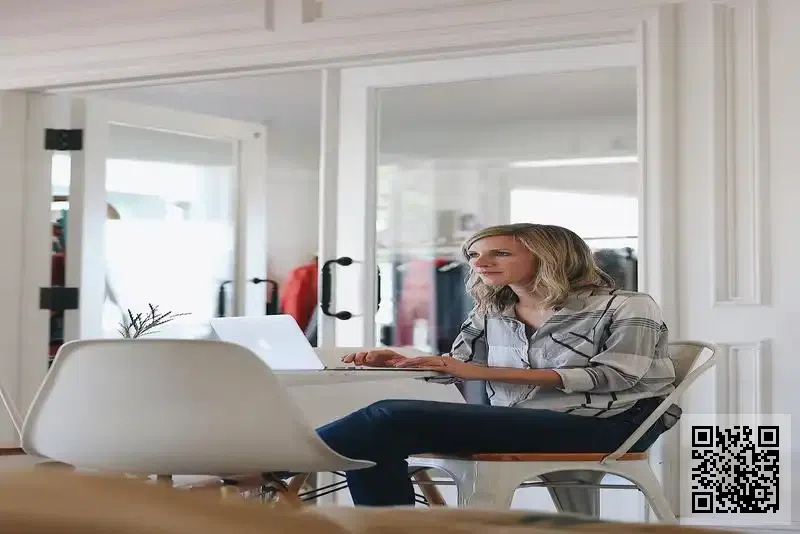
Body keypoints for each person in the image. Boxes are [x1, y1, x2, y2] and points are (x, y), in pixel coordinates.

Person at [317, 223, 680, 507]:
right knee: (375, 438)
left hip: (611, 424)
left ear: (551, 257)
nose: (479, 263)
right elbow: (459, 365)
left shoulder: (627, 304)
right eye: (474, 254)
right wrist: (403, 361)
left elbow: (616, 376)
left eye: (500, 253)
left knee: (387, 416)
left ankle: (287, 461)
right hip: (524, 419)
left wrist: (478, 372)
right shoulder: (492, 309)